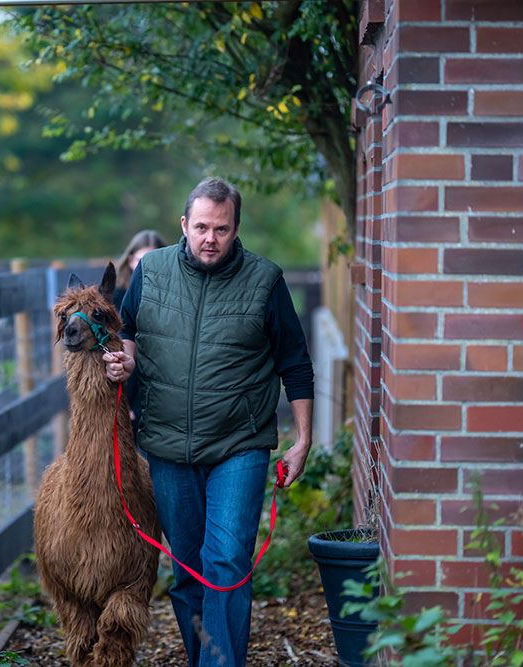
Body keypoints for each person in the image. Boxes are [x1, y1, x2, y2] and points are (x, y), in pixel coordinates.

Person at [103, 177, 314, 667]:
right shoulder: (151, 271)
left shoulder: (265, 281)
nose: (210, 239)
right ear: (184, 224)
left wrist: (303, 439)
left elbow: (295, 362)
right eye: (201, 227)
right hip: (168, 446)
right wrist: (125, 362)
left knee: (227, 564)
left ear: (236, 228)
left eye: (221, 229)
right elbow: (128, 330)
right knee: (189, 571)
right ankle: (207, 656)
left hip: (239, 445)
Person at [113, 230, 167, 435]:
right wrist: (124, 404)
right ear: (129, 261)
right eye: (142, 260)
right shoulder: (115, 299)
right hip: (127, 390)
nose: (147, 268)